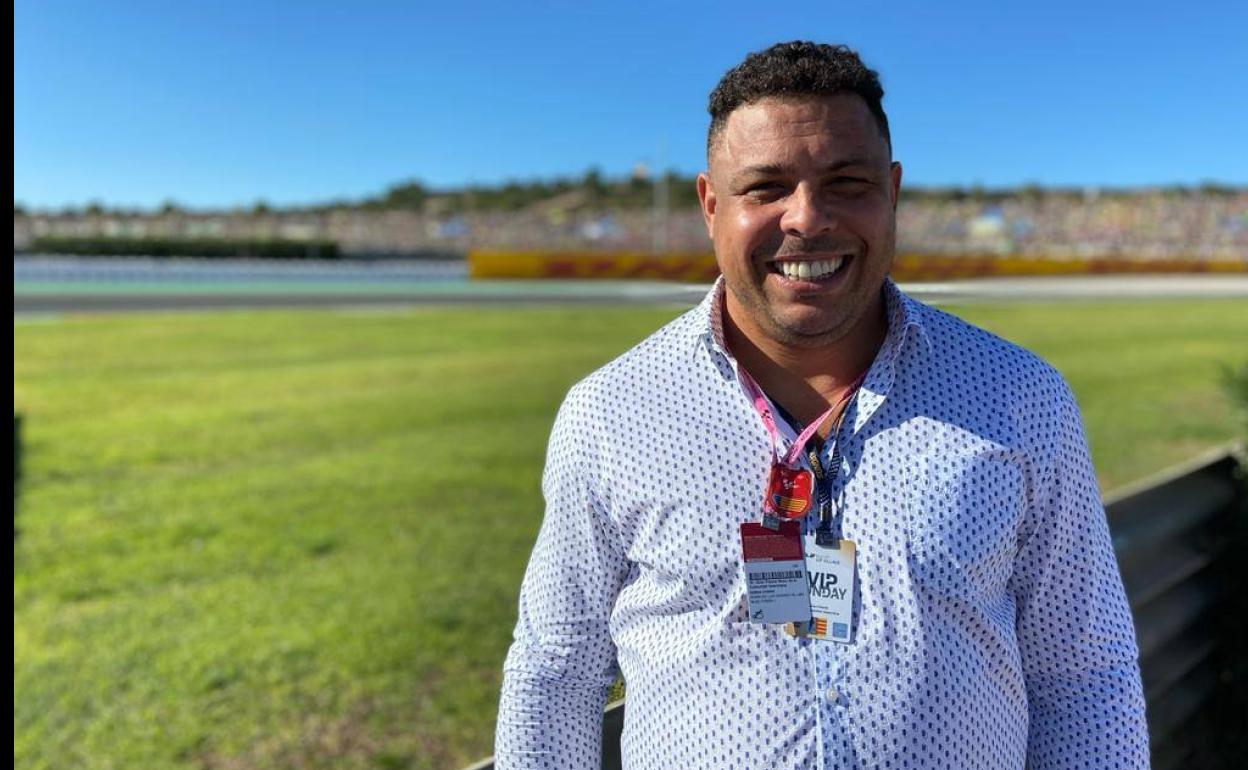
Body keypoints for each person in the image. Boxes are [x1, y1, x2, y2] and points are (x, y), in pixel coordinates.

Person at [495, 41, 1148, 769]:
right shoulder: (610, 413)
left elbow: (1085, 676)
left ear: (891, 192)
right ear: (711, 205)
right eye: (766, 188)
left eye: (847, 182)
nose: (807, 218)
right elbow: (555, 676)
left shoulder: (1020, 397)